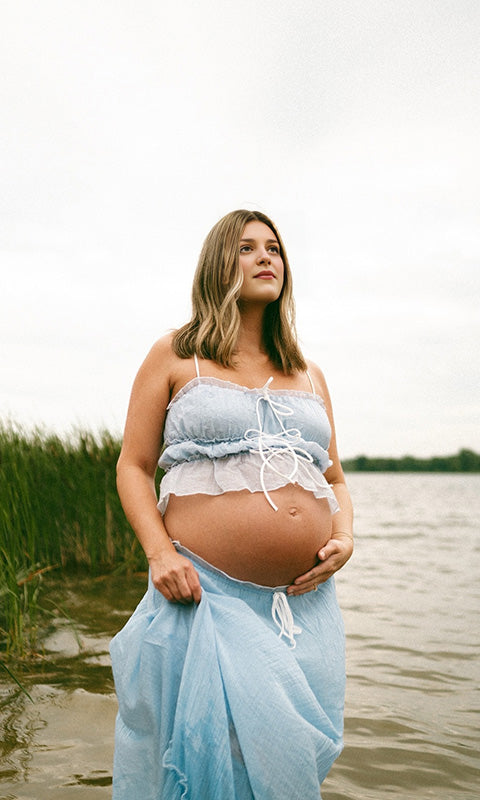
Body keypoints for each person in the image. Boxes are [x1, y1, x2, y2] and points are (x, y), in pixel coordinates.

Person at [109, 209, 354, 800]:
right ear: (220, 263)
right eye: (247, 248)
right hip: (204, 597)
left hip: (303, 608)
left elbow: (336, 478)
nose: (266, 256)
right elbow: (133, 466)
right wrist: (158, 553)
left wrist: (344, 537)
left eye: (274, 247)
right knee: (204, 758)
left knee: (286, 764)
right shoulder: (174, 354)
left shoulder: (308, 373)